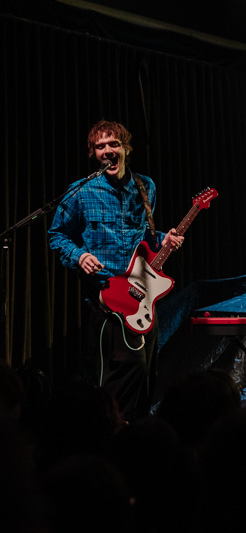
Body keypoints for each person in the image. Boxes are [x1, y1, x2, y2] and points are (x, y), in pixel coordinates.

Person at [48, 120, 184, 421]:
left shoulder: (145, 187)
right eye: (100, 146)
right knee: (124, 366)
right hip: (106, 295)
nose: (107, 150)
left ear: (125, 149)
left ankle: (134, 434)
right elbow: (57, 235)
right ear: (93, 153)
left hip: (143, 294)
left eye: (113, 144)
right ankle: (107, 432)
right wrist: (79, 254)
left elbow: (145, 238)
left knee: (147, 370)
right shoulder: (81, 192)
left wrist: (165, 239)